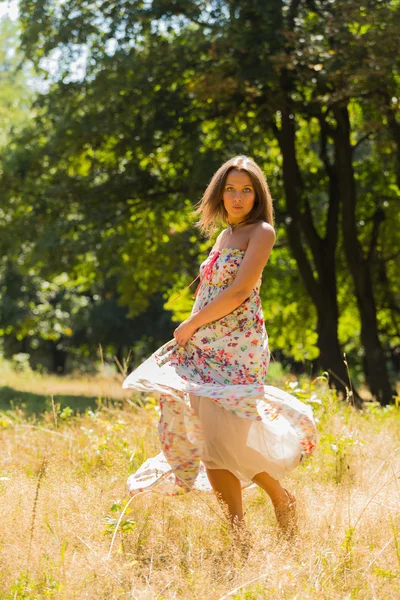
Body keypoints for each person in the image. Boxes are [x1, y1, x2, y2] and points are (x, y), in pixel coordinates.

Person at [122, 155, 317, 541]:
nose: (238, 197)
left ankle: (281, 498)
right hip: (203, 346)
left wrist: (191, 323)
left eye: (246, 190)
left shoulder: (262, 232)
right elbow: (209, 292)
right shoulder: (224, 236)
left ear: (257, 194)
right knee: (210, 442)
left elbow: (242, 290)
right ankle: (238, 536)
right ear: (220, 193)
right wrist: (190, 334)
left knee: (226, 437)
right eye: (230, 189)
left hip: (238, 347)